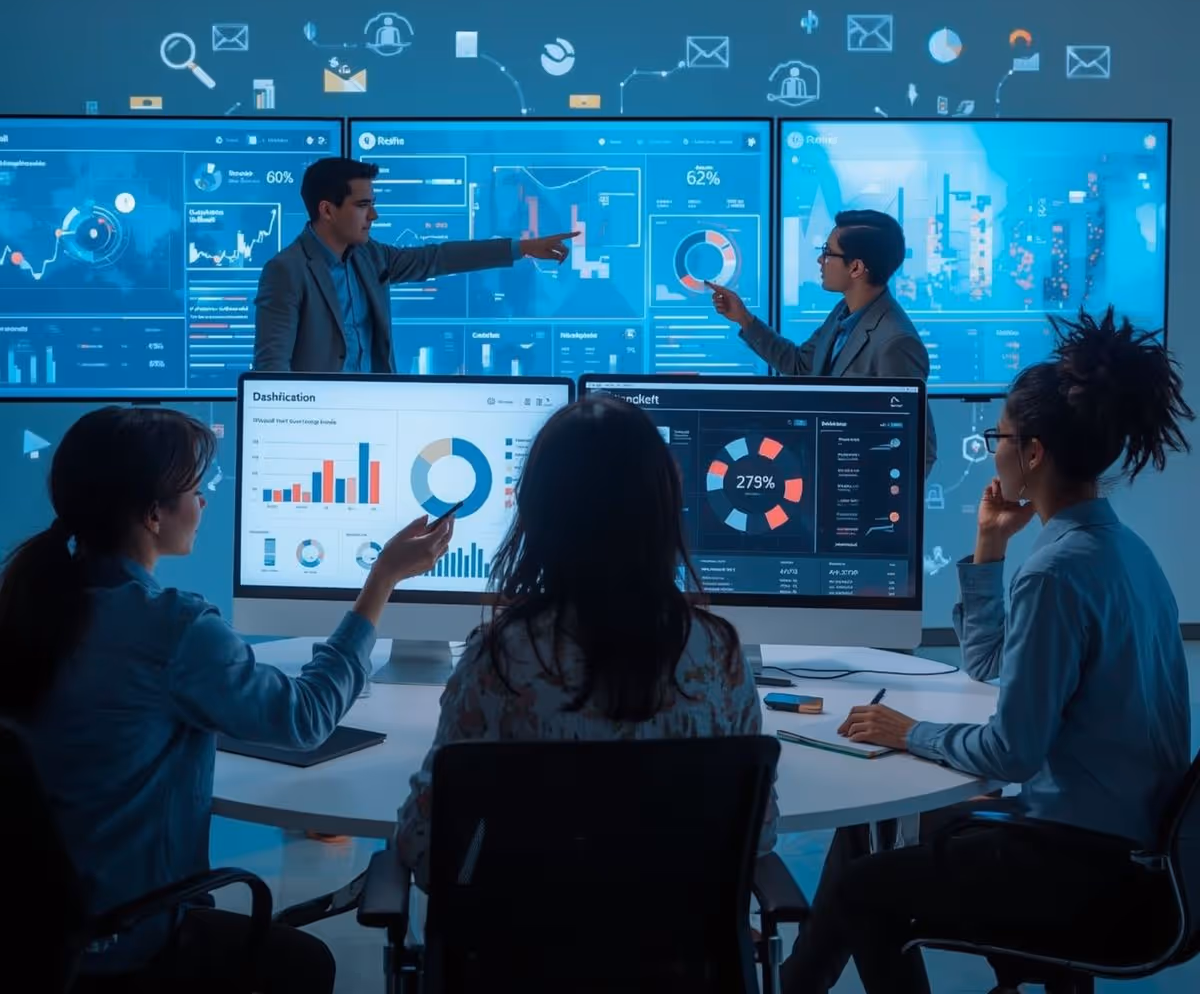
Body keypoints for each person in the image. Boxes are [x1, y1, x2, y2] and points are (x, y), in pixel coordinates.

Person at [780, 307, 1193, 994]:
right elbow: (990, 665)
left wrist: (910, 731)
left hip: (1087, 866)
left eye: (997, 435)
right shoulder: (1119, 550)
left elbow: (1013, 753)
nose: (991, 448)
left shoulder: (1058, 572)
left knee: (865, 889)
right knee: (869, 842)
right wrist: (990, 548)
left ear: (1032, 453)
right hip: (1134, 848)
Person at [0, 406, 457, 993]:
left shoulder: (29, 608)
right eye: (194, 490)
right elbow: (306, 718)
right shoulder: (172, 628)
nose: (204, 504)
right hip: (130, 939)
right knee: (306, 964)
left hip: (43, 931)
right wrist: (382, 579)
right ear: (152, 513)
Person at [394, 396, 779, 889]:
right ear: (662, 512)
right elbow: (758, 834)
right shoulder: (718, 655)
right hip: (679, 962)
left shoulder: (500, 662)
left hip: (517, 962)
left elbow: (425, 846)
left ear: (536, 515)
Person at [253, 157, 579, 373]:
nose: (373, 216)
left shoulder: (370, 257)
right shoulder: (287, 270)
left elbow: (437, 258)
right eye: (363, 205)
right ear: (327, 210)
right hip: (318, 422)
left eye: (373, 205)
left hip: (375, 412)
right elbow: (271, 369)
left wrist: (521, 248)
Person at [708, 208, 936, 474]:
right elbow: (801, 366)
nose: (820, 259)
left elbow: (922, 450)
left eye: (828, 252)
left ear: (856, 267)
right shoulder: (843, 313)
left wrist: (874, 501)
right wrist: (744, 319)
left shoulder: (895, 342)